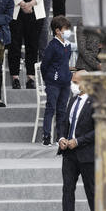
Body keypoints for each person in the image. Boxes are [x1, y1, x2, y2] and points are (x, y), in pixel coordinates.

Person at [54, 70, 95, 211]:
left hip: (87, 154)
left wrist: (78, 141)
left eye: (76, 82)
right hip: (69, 154)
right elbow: (63, 121)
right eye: (73, 81)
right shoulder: (72, 100)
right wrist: (62, 138)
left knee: (92, 191)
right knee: (67, 190)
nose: (73, 85)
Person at [40, 15, 73, 146]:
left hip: (65, 82)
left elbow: (67, 62)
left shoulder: (68, 45)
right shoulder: (52, 45)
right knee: (51, 108)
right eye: (65, 29)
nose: (68, 32)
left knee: (62, 110)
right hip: (53, 83)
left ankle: (60, 136)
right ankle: (46, 136)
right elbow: (44, 65)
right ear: (57, 30)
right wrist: (49, 79)